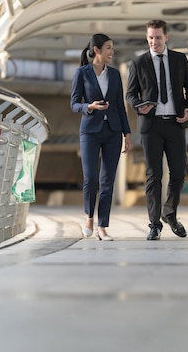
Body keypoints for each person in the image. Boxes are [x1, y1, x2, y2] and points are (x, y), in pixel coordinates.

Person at [126, 19, 188, 240]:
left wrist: (187, 110)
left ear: (166, 37)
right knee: (153, 175)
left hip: (175, 123)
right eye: (150, 38)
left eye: (157, 37)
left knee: (178, 172)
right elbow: (130, 94)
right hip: (151, 125)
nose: (154, 42)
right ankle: (154, 224)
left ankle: (170, 213)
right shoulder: (138, 63)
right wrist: (140, 106)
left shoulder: (179, 59)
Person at [71, 33, 133, 241]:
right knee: (91, 179)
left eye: (112, 48)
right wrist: (89, 106)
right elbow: (74, 104)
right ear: (96, 50)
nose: (111, 52)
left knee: (108, 181)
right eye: (108, 48)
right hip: (89, 131)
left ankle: (102, 226)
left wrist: (127, 133)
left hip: (113, 132)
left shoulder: (115, 75)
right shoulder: (82, 73)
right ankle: (89, 217)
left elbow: (120, 107)